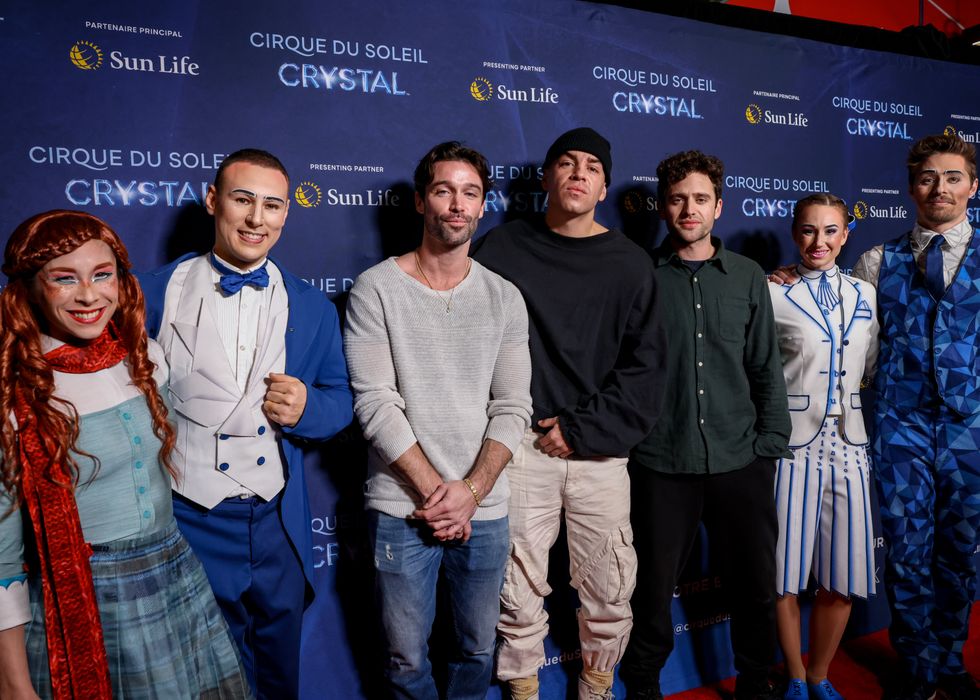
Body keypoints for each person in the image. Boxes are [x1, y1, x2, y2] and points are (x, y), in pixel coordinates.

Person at [0, 210, 250, 699]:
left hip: (174, 570)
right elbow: (3, 557)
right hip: (87, 595)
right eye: (64, 279)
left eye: (102, 274)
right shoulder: (16, 398)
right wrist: (12, 684)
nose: (90, 296)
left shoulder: (145, 358)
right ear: (31, 288)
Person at [139, 148, 353, 699]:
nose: (257, 219)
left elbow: (341, 402)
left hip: (277, 519)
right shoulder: (154, 292)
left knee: (280, 670)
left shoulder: (312, 306)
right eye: (243, 200)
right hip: (190, 517)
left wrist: (309, 409)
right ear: (213, 202)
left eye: (273, 205)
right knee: (208, 676)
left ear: (286, 214)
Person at [473, 127, 667, 700]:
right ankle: (524, 688)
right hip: (519, 448)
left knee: (609, 583)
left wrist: (581, 430)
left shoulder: (632, 265)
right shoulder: (502, 247)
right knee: (517, 580)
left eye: (590, 166)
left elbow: (646, 370)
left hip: (600, 454)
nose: (578, 172)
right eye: (566, 163)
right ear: (548, 178)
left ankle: (596, 684)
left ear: (603, 185)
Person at [344, 141, 532, 699]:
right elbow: (374, 402)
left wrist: (471, 493)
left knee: (476, 647)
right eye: (444, 190)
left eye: (470, 193)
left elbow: (513, 406)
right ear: (422, 201)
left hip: (486, 509)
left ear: (481, 207)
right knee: (404, 659)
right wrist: (437, 495)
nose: (457, 203)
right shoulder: (375, 288)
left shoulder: (505, 298)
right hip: (402, 507)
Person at [621, 150, 791, 700]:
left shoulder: (745, 277)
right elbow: (622, 366)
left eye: (700, 199)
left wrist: (769, 445)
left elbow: (765, 365)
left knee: (755, 587)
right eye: (677, 199)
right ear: (663, 207)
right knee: (651, 589)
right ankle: (644, 683)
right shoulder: (639, 275)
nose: (688, 209)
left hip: (740, 458)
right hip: (660, 462)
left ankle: (755, 680)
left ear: (719, 206)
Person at [768, 194, 879, 700]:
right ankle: (794, 675)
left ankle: (820, 675)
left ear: (846, 235)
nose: (820, 242)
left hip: (851, 444)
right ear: (795, 233)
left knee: (844, 573)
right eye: (810, 231)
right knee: (784, 572)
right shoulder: (772, 292)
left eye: (831, 231)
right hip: (792, 446)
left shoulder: (867, 294)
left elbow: (871, 367)